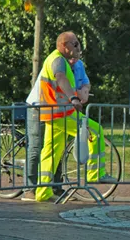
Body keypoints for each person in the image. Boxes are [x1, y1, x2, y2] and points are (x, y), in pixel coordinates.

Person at [32, 31, 116, 202]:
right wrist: (73, 98)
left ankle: (42, 192)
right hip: (61, 113)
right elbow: (61, 79)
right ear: (64, 45)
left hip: (54, 114)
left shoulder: (59, 60)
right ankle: (95, 174)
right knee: (95, 130)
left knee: (51, 153)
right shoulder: (57, 60)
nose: (78, 47)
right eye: (75, 44)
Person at [24, 54, 92, 201]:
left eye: (77, 55)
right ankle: (30, 189)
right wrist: (74, 97)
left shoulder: (79, 65)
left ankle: (55, 187)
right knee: (36, 148)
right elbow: (61, 80)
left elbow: (85, 82)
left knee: (57, 148)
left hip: (60, 111)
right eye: (72, 56)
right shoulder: (57, 63)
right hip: (38, 107)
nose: (74, 59)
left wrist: (85, 90)